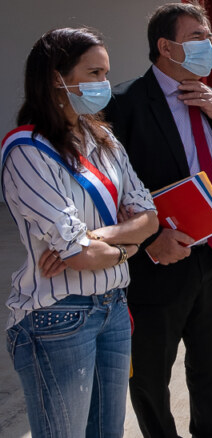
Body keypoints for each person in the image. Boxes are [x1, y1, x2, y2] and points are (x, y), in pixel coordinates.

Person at [104, 2, 212, 437]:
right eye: (197, 37)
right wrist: (148, 240)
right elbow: (106, 189)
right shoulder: (125, 103)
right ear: (165, 46)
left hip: (209, 255)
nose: (208, 46)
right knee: (150, 375)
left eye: (209, 37)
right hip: (158, 261)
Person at [2, 27, 158, 437]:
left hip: (113, 307)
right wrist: (128, 247)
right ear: (57, 78)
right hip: (57, 316)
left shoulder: (104, 140)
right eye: (93, 73)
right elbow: (80, 256)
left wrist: (98, 238)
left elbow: (150, 217)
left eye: (105, 73)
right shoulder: (27, 150)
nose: (103, 84)